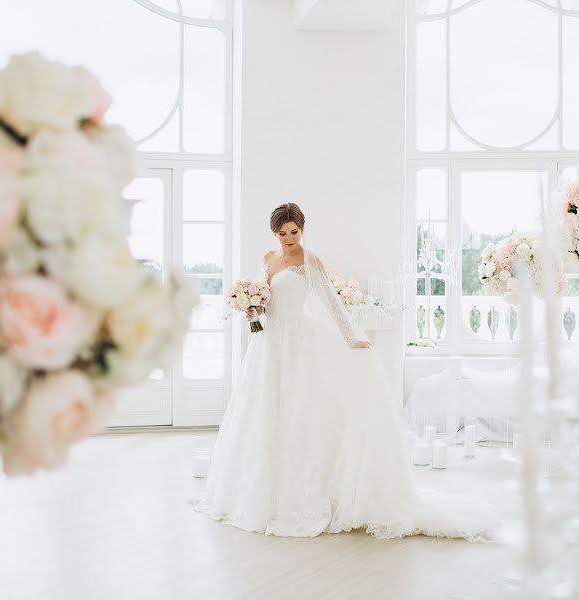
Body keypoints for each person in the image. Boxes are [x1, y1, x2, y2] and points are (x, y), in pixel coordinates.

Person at [196, 203, 492, 541]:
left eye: (295, 232)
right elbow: (262, 304)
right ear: (274, 233)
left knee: (300, 415)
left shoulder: (310, 261)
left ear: (302, 229)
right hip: (268, 346)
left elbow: (329, 301)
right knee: (264, 414)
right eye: (283, 233)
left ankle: (304, 493)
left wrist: (353, 336)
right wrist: (251, 308)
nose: (290, 238)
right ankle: (260, 492)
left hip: (298, 344)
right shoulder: (267, 259)